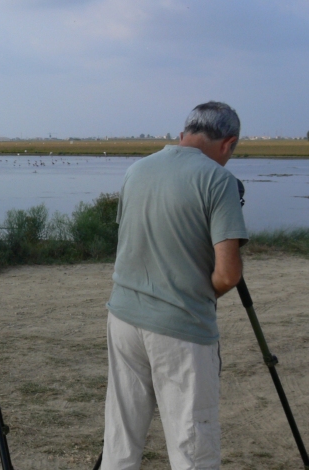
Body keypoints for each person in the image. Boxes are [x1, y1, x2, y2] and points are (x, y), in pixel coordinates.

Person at [102, 101, 249, 469]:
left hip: (123, 318)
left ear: (184, 133)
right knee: (192, 445)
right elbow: (228, 274)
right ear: (227, 143)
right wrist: (196, 293)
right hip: (180, 330)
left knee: (121, 438)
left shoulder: (138, 169)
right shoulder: (219, 180)